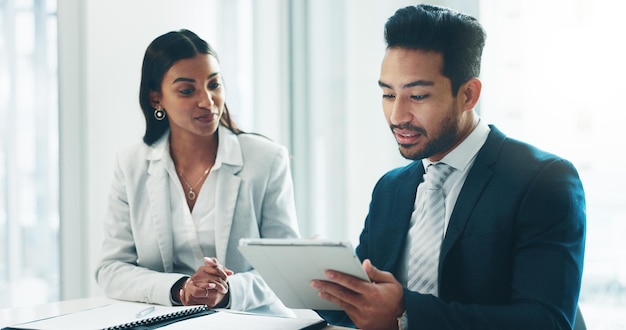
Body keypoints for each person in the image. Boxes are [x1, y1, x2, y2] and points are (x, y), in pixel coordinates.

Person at [312, 4, 586, 330]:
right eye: (388, 94)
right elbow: (369, 310)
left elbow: (547, 322)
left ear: (468, 94)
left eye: (417, 96)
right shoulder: (390, 188)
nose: (397, 116)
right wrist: (320, 283)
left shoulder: (543, 180)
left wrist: (406, 313)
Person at [95, 29, 300, 316]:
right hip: (167, 320)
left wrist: (226, 292)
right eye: (187, 90)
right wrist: (181, 289)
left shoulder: (266, 159)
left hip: (250, 320)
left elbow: (286, 270)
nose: (207, 101)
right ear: (157, 98)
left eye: (214, 85)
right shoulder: (131, 164)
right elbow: (111, 269)